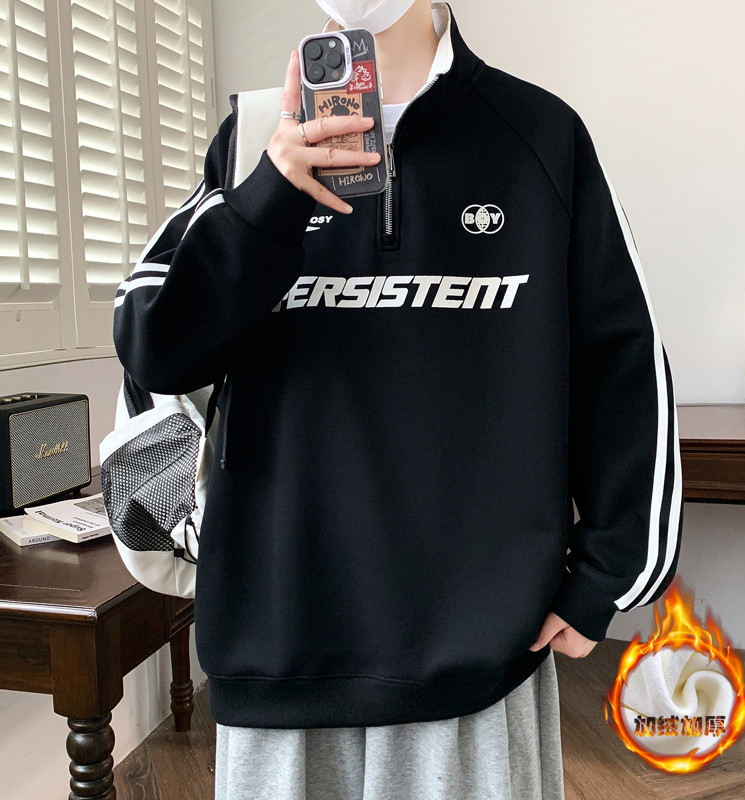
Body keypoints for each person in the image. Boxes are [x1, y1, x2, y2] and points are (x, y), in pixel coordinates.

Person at [112, 0, 684, 797]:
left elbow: (623, 365)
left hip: (476, 664)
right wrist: (272, 195)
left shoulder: (540, 137)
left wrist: (609, 574)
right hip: (280, 653)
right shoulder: (254, 140)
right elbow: (153, 348)